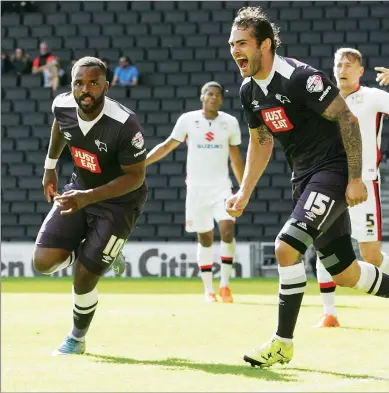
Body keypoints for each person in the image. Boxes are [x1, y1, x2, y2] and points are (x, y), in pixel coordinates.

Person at [226, 6, 389, 368]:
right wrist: (244, 191)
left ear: (265, 44)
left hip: (331, 172)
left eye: (243, 43)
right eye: (232, 44)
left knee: (285, 248)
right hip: (303, 178)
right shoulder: (249, 90)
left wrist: (355, 176)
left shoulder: (300, 78)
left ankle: (282, 342)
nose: (236, 50)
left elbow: (346, 117)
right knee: (346, 274)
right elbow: (261, 141)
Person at [33, 56, 147, 355]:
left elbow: (135, 177)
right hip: (80, 187)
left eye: (93, 83)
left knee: (84, 275)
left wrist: (88, 197)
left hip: (119, 203)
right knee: (43, 263)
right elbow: (60, 125)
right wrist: (50, 166)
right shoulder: (63, 105)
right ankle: (98, 254)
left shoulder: (124, 124)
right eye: (79, 83)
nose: (85, 90)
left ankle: (77, 337)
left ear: (106, 86)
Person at [146, 81, 245, 303]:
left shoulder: (230, 122)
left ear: (221, 99)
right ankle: (209, 289)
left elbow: (236, 157)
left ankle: (225, 286)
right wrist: (144, 163)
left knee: (227, 229)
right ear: (202, 97)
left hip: (222, 187)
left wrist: (244, 189)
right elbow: (167, 145)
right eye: (209, 94)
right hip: (196, 190)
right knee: (205, 237)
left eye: (217, 95)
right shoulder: (188, 120)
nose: (213, 98)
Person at [315, 49, 389, 328]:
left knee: (371, 255)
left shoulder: (372, 97)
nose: (343, 69)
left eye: (349, 65)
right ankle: (329, 313)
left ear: (360, 70)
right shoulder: (324, 100)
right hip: (330, 182)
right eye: (339, 64)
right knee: (324, 243)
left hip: (365, 182)